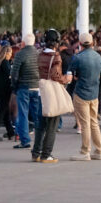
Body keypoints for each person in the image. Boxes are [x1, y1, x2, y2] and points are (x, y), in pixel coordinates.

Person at [32, 29, 69, 163]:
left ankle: (36, 152)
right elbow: (55, 75)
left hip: (40, 90)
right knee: (52, 125)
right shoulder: (56, 56)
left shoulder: (39, 54)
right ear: (56, 42)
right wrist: (66, 79)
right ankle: (46, 154)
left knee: (40, 125)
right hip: (52, 92)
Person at [69, 32, 101, 161]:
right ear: (92, 43)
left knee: (84, 124)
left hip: (81, 92)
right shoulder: (98, 57)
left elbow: (72, 74)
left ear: (80, 43)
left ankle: (85, 151)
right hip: (94, 93)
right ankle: (99, 150)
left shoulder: (78, 57)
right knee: (94, 122)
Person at [10, 33, 40, 150]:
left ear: (23, 43)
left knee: (23, 114)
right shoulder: (38, 54)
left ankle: (25, 140)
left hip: (24, 87)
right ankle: (40, 139)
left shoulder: (20, 54)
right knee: (37, 115)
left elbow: (14, 73)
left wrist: (14, 86)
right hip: (36, 87)